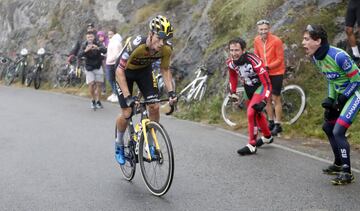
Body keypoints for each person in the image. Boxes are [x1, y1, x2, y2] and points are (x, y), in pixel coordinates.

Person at [114, 15, 177, 165]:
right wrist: (129, 97)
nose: (161, 43)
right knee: (127, 112)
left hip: (144, 71)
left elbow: (165, 69)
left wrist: (171, 92)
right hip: (124, 72)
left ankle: (150, 144)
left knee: (154, 106)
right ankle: (118, 143)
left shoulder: (166, 48)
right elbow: (119, 71)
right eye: (159, 38)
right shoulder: (136, 45)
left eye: (165, 39)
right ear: (151, 34)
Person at [302, 24, 360, 185]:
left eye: (306, 39)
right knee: (328, 128)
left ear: (318, 41)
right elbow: (331, 79)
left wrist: (343, 97)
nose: (303, 43)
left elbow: (357, 80)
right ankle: (339, 163)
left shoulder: (339, 56)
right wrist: (330, 99)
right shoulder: (316, 57)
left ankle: (347, 172)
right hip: (341, 94)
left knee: (338, 131)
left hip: (356, 93)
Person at [226, 37, 273, 156]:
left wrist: (264, 100)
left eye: (237, 50)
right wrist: (233, 91)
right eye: (231, 50)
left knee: (251, 113)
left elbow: (267, 83)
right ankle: (267, 136)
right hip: (248, 88)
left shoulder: (254, 61)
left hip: (260, 87)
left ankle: (252, 144)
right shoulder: (230, 62)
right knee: (257, 114)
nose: (234, 53)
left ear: (243, 50)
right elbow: (232, 76)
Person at [254, 19, 286, 136]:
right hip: (264, 73)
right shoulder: (257, 40)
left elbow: (280, 59)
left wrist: (268, 67)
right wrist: (258, 67)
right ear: (258, 30)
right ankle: (271, 122)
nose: (264, 31)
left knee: (275, 98)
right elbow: (257, 55)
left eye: (266, 29)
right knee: (266, 98)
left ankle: (278, 125)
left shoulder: (276, 41)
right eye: (261, 29)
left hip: (276, 72)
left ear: (269, 29)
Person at [78, 31, 107, 109]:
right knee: (91, 84)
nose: (90, 38)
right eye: (88, 37)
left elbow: (105, 50)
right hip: (89, 67)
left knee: (99, 84)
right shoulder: (84, 44)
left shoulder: (97, 42)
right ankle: (92, 100)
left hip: (98, 66)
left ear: (94, 37)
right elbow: (79, 55)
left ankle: (98, 101)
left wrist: (97, 48)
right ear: (86, 38)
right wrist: (86, 50)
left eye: (91, 37)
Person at [105, 27, 123, 103]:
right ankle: (114, 93)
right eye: (108, 34)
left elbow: (116, 54)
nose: (109, 36)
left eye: (111, 34)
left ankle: (117, 94)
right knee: (111, 79)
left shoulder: (115, 42)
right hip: (111, 63)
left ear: (115, 34)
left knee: (112, 79)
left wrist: (109, 60)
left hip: (112, 63)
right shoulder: (112, 41)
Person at [97, 31, 109, 95]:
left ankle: (107, 89)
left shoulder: (107, 42)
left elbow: (107, 50)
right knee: (101, 74)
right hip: (100, 59)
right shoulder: (98, 43)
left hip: (106, 59)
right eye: (99, 37)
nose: (100, 38)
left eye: (101, 36)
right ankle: (103, 89)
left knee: (106, 73)